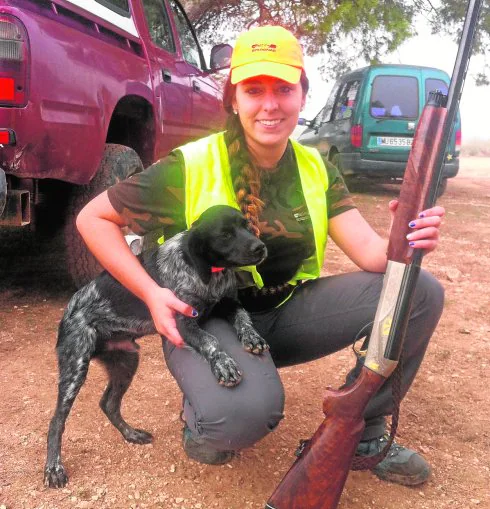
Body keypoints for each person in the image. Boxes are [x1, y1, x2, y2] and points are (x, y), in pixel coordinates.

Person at [76, 25, 445, 487]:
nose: (270, 104)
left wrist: (404, 234)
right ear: (233, 99)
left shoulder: (316, 168)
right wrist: (151, 293)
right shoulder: (189, 164)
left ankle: (362, 429)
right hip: (205, 318)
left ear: (302, 95)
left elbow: (374, 256)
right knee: (236, 419)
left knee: (418, 291)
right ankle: (204, 412)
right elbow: (93, 219)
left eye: (283, 89)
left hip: (285, 312)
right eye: (253, 89)